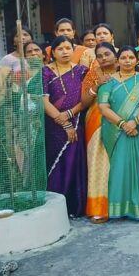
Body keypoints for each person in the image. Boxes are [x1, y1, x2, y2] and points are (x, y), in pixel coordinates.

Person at [96, 46, 139, 221]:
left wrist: (135, 121)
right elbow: (103, 107)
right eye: (123, 58)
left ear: (137, 60)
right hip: (116, 130)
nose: (128, 61)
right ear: (118, 61)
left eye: (131, 57)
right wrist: (123, 124)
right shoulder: (108, 82)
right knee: (120, 166)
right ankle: (123, 207)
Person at [42, 36, 89, 217]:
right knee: (56, 164)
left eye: (68, 48)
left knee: (74, 161)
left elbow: (87, 99)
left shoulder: (81, 71)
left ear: (73, 50)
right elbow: (44, 102)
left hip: (76, 121)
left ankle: (75, 207)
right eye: (60, 49)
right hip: (53, 126)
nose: (65, 52)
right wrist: (64, 123)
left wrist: (70, 115)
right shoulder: (45, 72)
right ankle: (55, 211)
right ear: (53, 52)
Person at [80, 42, 117, 222]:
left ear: (115, 54)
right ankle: (99, 208)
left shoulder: (126, 68)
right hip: (97, 123)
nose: (103, 58)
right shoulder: (93, 73)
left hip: (122, 122)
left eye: (107, 54)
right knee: (98, 164)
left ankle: (122, 205)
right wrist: (96, 86)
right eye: (99, 56)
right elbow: (84, 101)